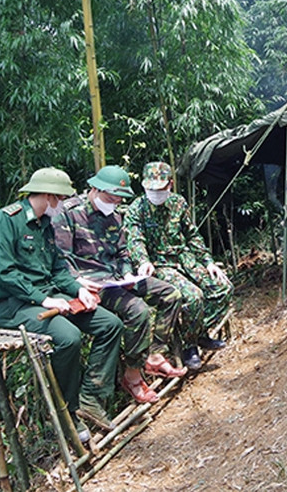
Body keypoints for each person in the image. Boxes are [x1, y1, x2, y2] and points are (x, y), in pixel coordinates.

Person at [0, 167, 123, 442]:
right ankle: (66, 412)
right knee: (68, 337)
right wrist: (43, 299)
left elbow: (59, 269)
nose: (63, 205)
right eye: (60, 199)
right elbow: (5, 273)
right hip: (16, 306)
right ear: (49, 196)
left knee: (110, 324)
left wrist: (79, 290)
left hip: (52, 297)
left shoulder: (45, 224)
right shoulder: (6, 220)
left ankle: (91, 398)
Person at [52, 165, 187, 406]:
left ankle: (155, 355)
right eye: (111, 198)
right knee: (138, 311)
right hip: (92, 284)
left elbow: (123, 252)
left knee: (171, 294)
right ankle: (132, 376)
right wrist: (77, 281)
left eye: (119, 199)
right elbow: (61, 257)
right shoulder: (69, 213)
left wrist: (128, 273)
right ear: (95, 189)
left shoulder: (114, 216)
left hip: (117, 278)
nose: (115, 203)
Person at [123, 162, 233, 371]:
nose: (155, 193)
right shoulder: (136, 209)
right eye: (151, 189)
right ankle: (189, 347)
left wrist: (208, 262)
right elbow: (135, 240)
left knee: (222, 288)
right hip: (159, 264)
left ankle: (198, 333)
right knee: (193, 296)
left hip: (184, 258)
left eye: (160, 188)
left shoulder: (178, 203)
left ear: (170, 184)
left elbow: (192, 235)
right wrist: (143, 261)